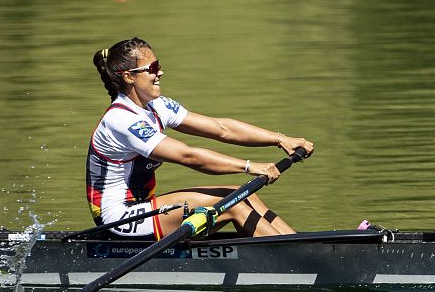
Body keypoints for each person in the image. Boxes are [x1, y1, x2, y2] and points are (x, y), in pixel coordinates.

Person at [87, 37, 314, 239]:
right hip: (118, 218)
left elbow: (221, 128)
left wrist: (280, 139)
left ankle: (301, 247)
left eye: (159, 66)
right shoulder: (121, 119)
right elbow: (189, 156)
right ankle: (296, 261)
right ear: (129, 76)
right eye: (153, 68)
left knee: (244, 195)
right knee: (233, 203)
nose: (160, 73)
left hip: (144, 206)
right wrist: (249, 166)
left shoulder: (157, 106)